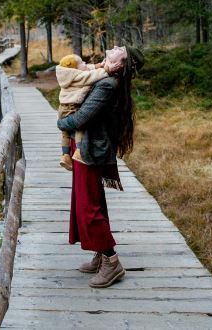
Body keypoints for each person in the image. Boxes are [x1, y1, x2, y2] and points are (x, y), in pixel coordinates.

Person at [57, 46, 145, 288]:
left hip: (89, 151)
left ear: (121, 65)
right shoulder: (105, 77)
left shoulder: (108, 85)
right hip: (85, 148)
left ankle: (112, 261)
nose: (114, 47)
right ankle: (100, 254)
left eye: (120, 50)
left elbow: (81, 118)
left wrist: (61, 123)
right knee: (90, 201)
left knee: (88, 207)